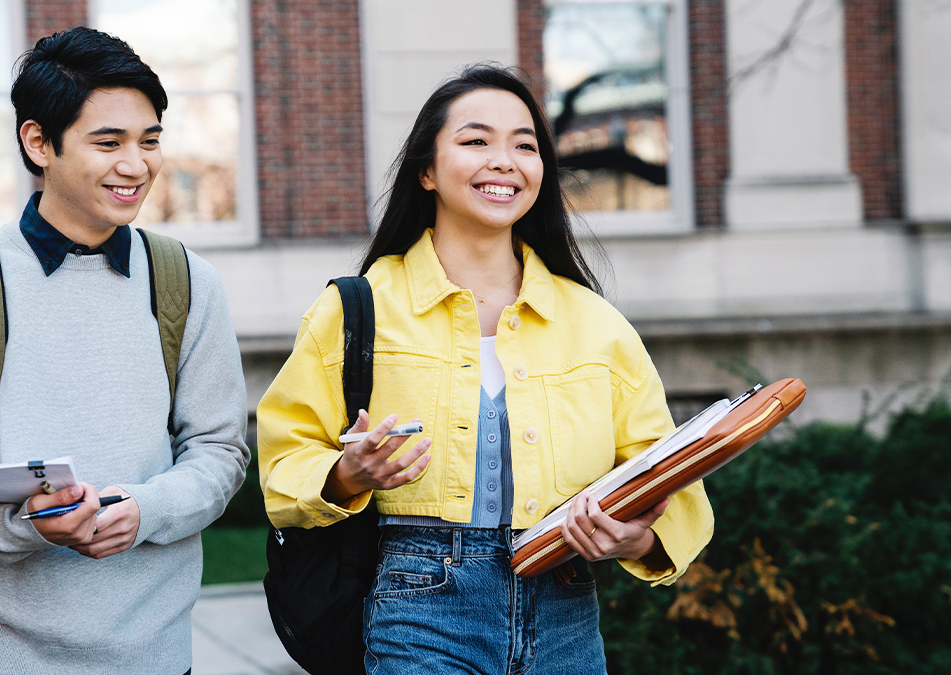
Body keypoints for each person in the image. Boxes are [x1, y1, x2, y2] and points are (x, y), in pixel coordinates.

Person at [256, 65, 713, 674]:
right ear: (426, 170)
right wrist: (347, 473)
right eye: (476, 141)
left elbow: (673, 475)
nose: (505, 161)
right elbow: (284, 464)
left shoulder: (596, 324)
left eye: (525, 146)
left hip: (566, 610)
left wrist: (639, 539)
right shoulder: (357, 308)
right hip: (418, 611)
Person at [0, 27, 249, 675]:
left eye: (149, 140)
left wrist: (146, 510)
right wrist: (27, 521)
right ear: (38, 142)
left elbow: (221, 453)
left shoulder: (188, 279)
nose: (136, 165)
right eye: (108, 142)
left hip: (156, 654)